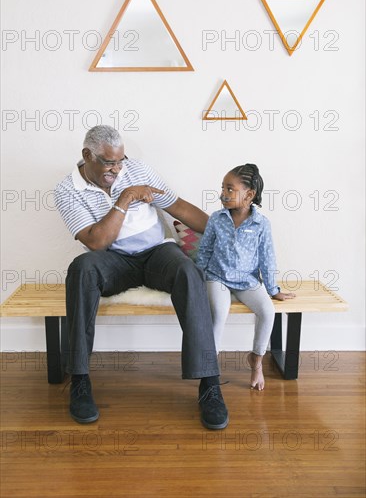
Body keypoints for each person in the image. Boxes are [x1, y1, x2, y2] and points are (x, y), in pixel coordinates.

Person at [54, 125, 228, 430]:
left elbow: (179, 207)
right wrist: (126, 197)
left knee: (189, 271)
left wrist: (225, 234)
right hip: (113, 261)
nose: (117, 168)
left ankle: (209, 384)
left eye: (120, 161)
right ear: (87, 156)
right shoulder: (67, 191)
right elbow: (97, 242)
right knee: (81, 268)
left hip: (155, 253)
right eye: (109, 163)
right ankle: (80, 381)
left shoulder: (138, 169)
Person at [196, 164, 295, 391]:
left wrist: (273, 289)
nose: (223, 193)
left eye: (230, 189)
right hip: (217, 277)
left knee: (268, 311)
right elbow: (205, 251)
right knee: (219, 313)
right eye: (223, 188)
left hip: (247, 281)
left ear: (249, 195)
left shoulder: (261, 224)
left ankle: (256, 360)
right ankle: (210, 373)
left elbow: (267, 258)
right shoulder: (216, 219)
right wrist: (199, 278)